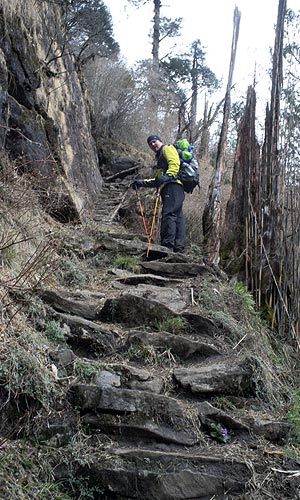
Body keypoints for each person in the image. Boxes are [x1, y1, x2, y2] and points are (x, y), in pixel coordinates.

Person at [131, 134, 186, 253]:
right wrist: (141, 183)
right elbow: (157, 181)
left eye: (154, 142)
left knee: (169, 214)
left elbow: (174, 163)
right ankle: (179, 248)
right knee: (178, 216)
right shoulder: (160, 159)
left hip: (172, 186)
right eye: (150, 144)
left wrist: (169, 175)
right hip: (174, 187)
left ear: (160, 141)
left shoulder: (167, 148)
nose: (153, 145)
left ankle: (167, 246)